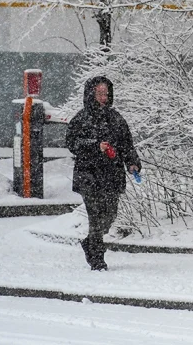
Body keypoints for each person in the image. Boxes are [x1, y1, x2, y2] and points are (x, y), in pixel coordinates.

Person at [66, 76, 141, 271]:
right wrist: (94, 146)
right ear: (91, 93)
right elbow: (72, 144)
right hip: (88, 176)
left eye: (105, 93)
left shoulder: (116, 118)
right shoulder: (80, 119)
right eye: (99, 93)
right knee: (96, 216)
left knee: (109, 216)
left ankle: (90, 243)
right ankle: (97, 259)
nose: (103, 97)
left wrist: (132, 163)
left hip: (112, 176)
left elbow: (127, 145)